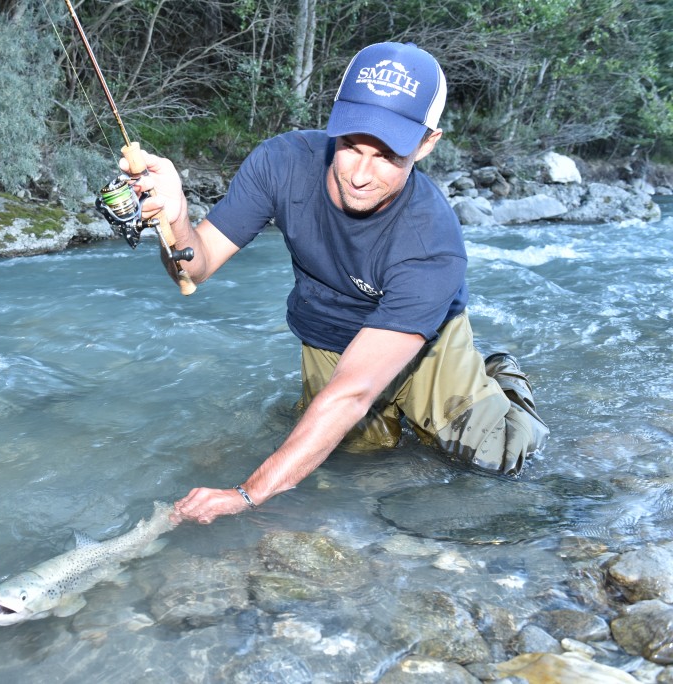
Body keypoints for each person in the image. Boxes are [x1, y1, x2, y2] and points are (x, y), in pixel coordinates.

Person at [126, 42, 549, 525]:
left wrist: (246, 495)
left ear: (428, 144)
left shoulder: (432, 241)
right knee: (353, 462)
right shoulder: (280, 164)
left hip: (424, 338)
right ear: (335, 117)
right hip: (327, 333)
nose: (361, 175)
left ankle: (503, 378)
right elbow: (193, 267)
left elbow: (353, 390)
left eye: (388, 154)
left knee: (499, 461)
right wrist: (177, 220)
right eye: (351, 145)